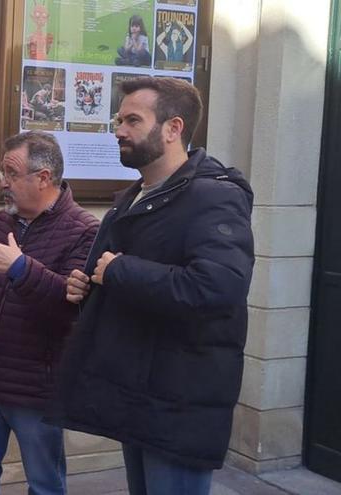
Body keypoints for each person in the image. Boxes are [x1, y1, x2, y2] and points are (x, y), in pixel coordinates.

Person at [60, 77, 254, 494]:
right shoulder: (133, 198)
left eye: (132, 119)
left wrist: (119, 271)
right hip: (140, 396)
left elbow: (218, 288)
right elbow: (127, 277)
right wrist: (90, 285)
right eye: (118, 119)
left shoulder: (213, 196)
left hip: (179, 403)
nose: (118, 130)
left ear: (173, 128)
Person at [0, 131, 99, 495]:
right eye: (3, 173)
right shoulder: (0, 223)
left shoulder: (85, 231)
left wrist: (19, 267)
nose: (3, 183)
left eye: (11, 173)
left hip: (36, 389)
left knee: (45, 484)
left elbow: (69, 307)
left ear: (44, 178)